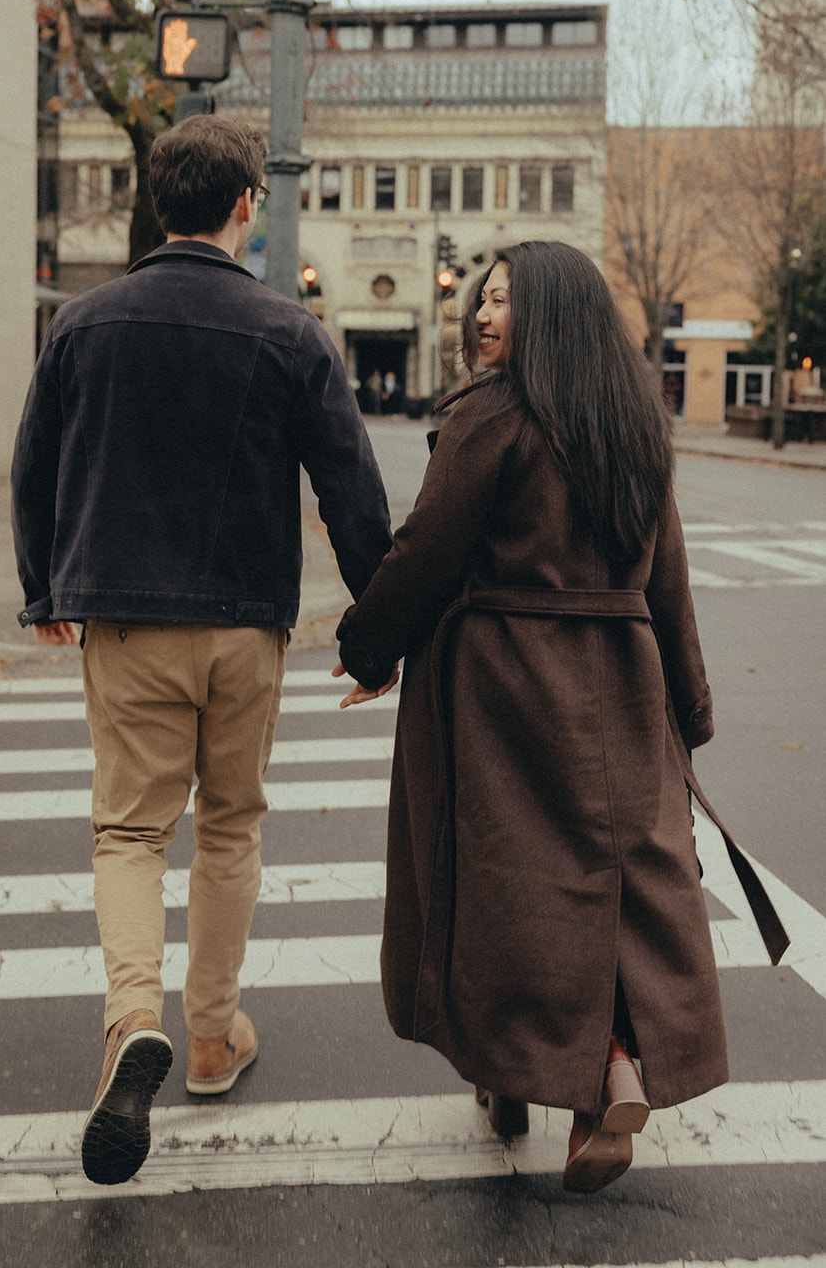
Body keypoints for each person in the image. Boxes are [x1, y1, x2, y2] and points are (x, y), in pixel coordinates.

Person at [333, 240, 786, 1194]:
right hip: (622, 678)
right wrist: (687, 708)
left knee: (506, 888)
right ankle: (606, 1084)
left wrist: (368, 647)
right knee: (607, 886)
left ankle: (512, 1070)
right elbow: (669, 577)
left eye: (504, 302)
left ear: (554, 315)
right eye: (481, 301)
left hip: (503, 684)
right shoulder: (631, 423)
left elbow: (425, 549)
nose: (484, 316)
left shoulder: (491, 417)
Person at [11, 115, 391, 1187]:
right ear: (241, 207)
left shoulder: (84, 325)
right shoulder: (290, 332)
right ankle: (213, 1035)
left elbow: (34, 461)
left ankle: (132, 1018)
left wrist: (44, 584)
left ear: (153, 199)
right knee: (229, 826)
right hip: (242, 626)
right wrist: (378, 630)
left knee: (130, 830)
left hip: (125, 619)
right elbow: (348, 491)